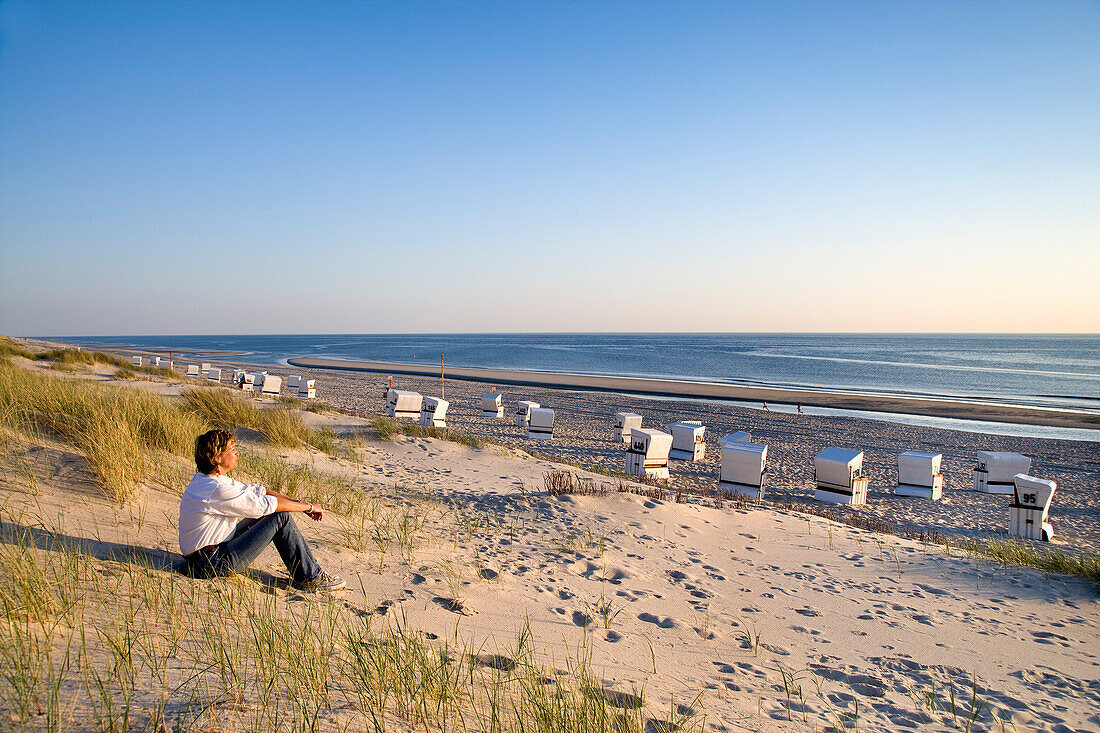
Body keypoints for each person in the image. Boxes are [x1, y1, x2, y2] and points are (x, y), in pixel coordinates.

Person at [179, 429, 345, 592]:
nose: (236, 453)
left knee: (274, 513)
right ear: (217, 459)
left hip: (206, 556)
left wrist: (300, 503)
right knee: (280, 518)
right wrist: (308, 507)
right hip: (211, 563)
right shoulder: (216, 488)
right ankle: (310, 577)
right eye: (231, 450)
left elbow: (259, 491)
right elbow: (268, 505)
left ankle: (305, 573)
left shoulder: (208, 480)